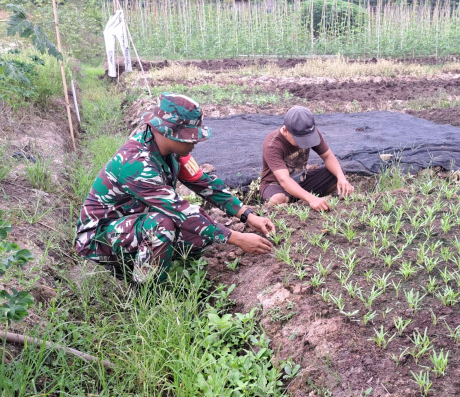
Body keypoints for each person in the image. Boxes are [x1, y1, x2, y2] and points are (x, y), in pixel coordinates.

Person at [75, 93, 275, 284]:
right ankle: (146, 291)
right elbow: (182, 212)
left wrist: (248, 215)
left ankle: (142, 260)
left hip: (134, 220)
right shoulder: (137, 164)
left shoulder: (172, 153)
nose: (195, 141)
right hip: (99, 236)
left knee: (200, 235)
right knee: (162, 225)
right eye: (190, 136)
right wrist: (237, 238)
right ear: (168, 133)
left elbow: (205, 184)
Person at [260, 106, 354, 212]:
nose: (304, 143)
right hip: (277, 185)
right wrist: (311, 199)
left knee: (337, 173)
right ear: (286, 130)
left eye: (306, 139)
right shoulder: (272, 145)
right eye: (299, 140)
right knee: (278, 199)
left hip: (302, 180)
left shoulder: (310, 132)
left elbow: (328, 156)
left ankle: (300, 197)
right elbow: (284, 180)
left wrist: (342, 178)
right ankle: (296, 201)